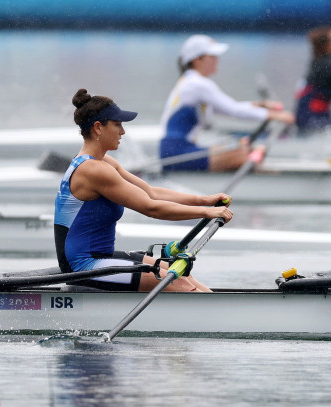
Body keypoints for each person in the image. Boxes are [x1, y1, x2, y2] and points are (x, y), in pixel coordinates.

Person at [55, 88, 234, 292]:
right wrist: (207, 213)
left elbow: (151, 192)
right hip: (83, 265)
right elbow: (151, 208)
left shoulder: (104, 162)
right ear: (98, 128)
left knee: (179, 271)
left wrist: (204, 200)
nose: (123, 131)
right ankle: (220, 319)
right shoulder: (92, 170)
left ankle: (221, 314)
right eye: (117, 125)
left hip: (101, 256)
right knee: (176, 280)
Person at [160, 34, 294, 172]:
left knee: (246, 150)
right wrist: (277, 116)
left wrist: (261, 106)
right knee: (247, 153)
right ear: (196, 60)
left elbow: (229, 107)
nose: (217, 60)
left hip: (175, 150)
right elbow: (234, 110)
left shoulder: (190, 81)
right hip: (178, 153)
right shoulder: (197, 84)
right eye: (212, 56)